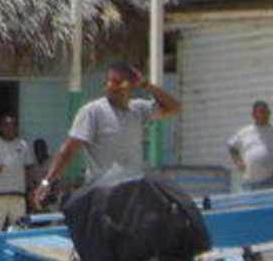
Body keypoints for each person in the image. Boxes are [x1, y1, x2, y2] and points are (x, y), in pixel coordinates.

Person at [37, 62, 181, 209]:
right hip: (103, 195)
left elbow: (174, 107)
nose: (113, 88)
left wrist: (146, 85)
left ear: (131, 85)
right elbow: (69, 149)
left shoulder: (138, 109)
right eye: (110, 82)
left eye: (120, 83)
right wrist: (47, 182)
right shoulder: (92, 112)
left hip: (133, 194)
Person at [0, 114, 37, 231]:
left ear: (16, 128)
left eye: (13, 125)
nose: (9, 128)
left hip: (17, 196)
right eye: (6, 125)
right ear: (1, 127)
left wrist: (31, 189)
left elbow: (29, 168)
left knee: (19, 230)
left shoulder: (23, 145)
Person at [227, 100, 273, 190]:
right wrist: (238, 162)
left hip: (271, 180)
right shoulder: (245, 132)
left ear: (269, 113)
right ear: (254, 115)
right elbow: (232, 147)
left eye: (266, 112)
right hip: (250, 181)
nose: (264, 115)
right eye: (261, 112)